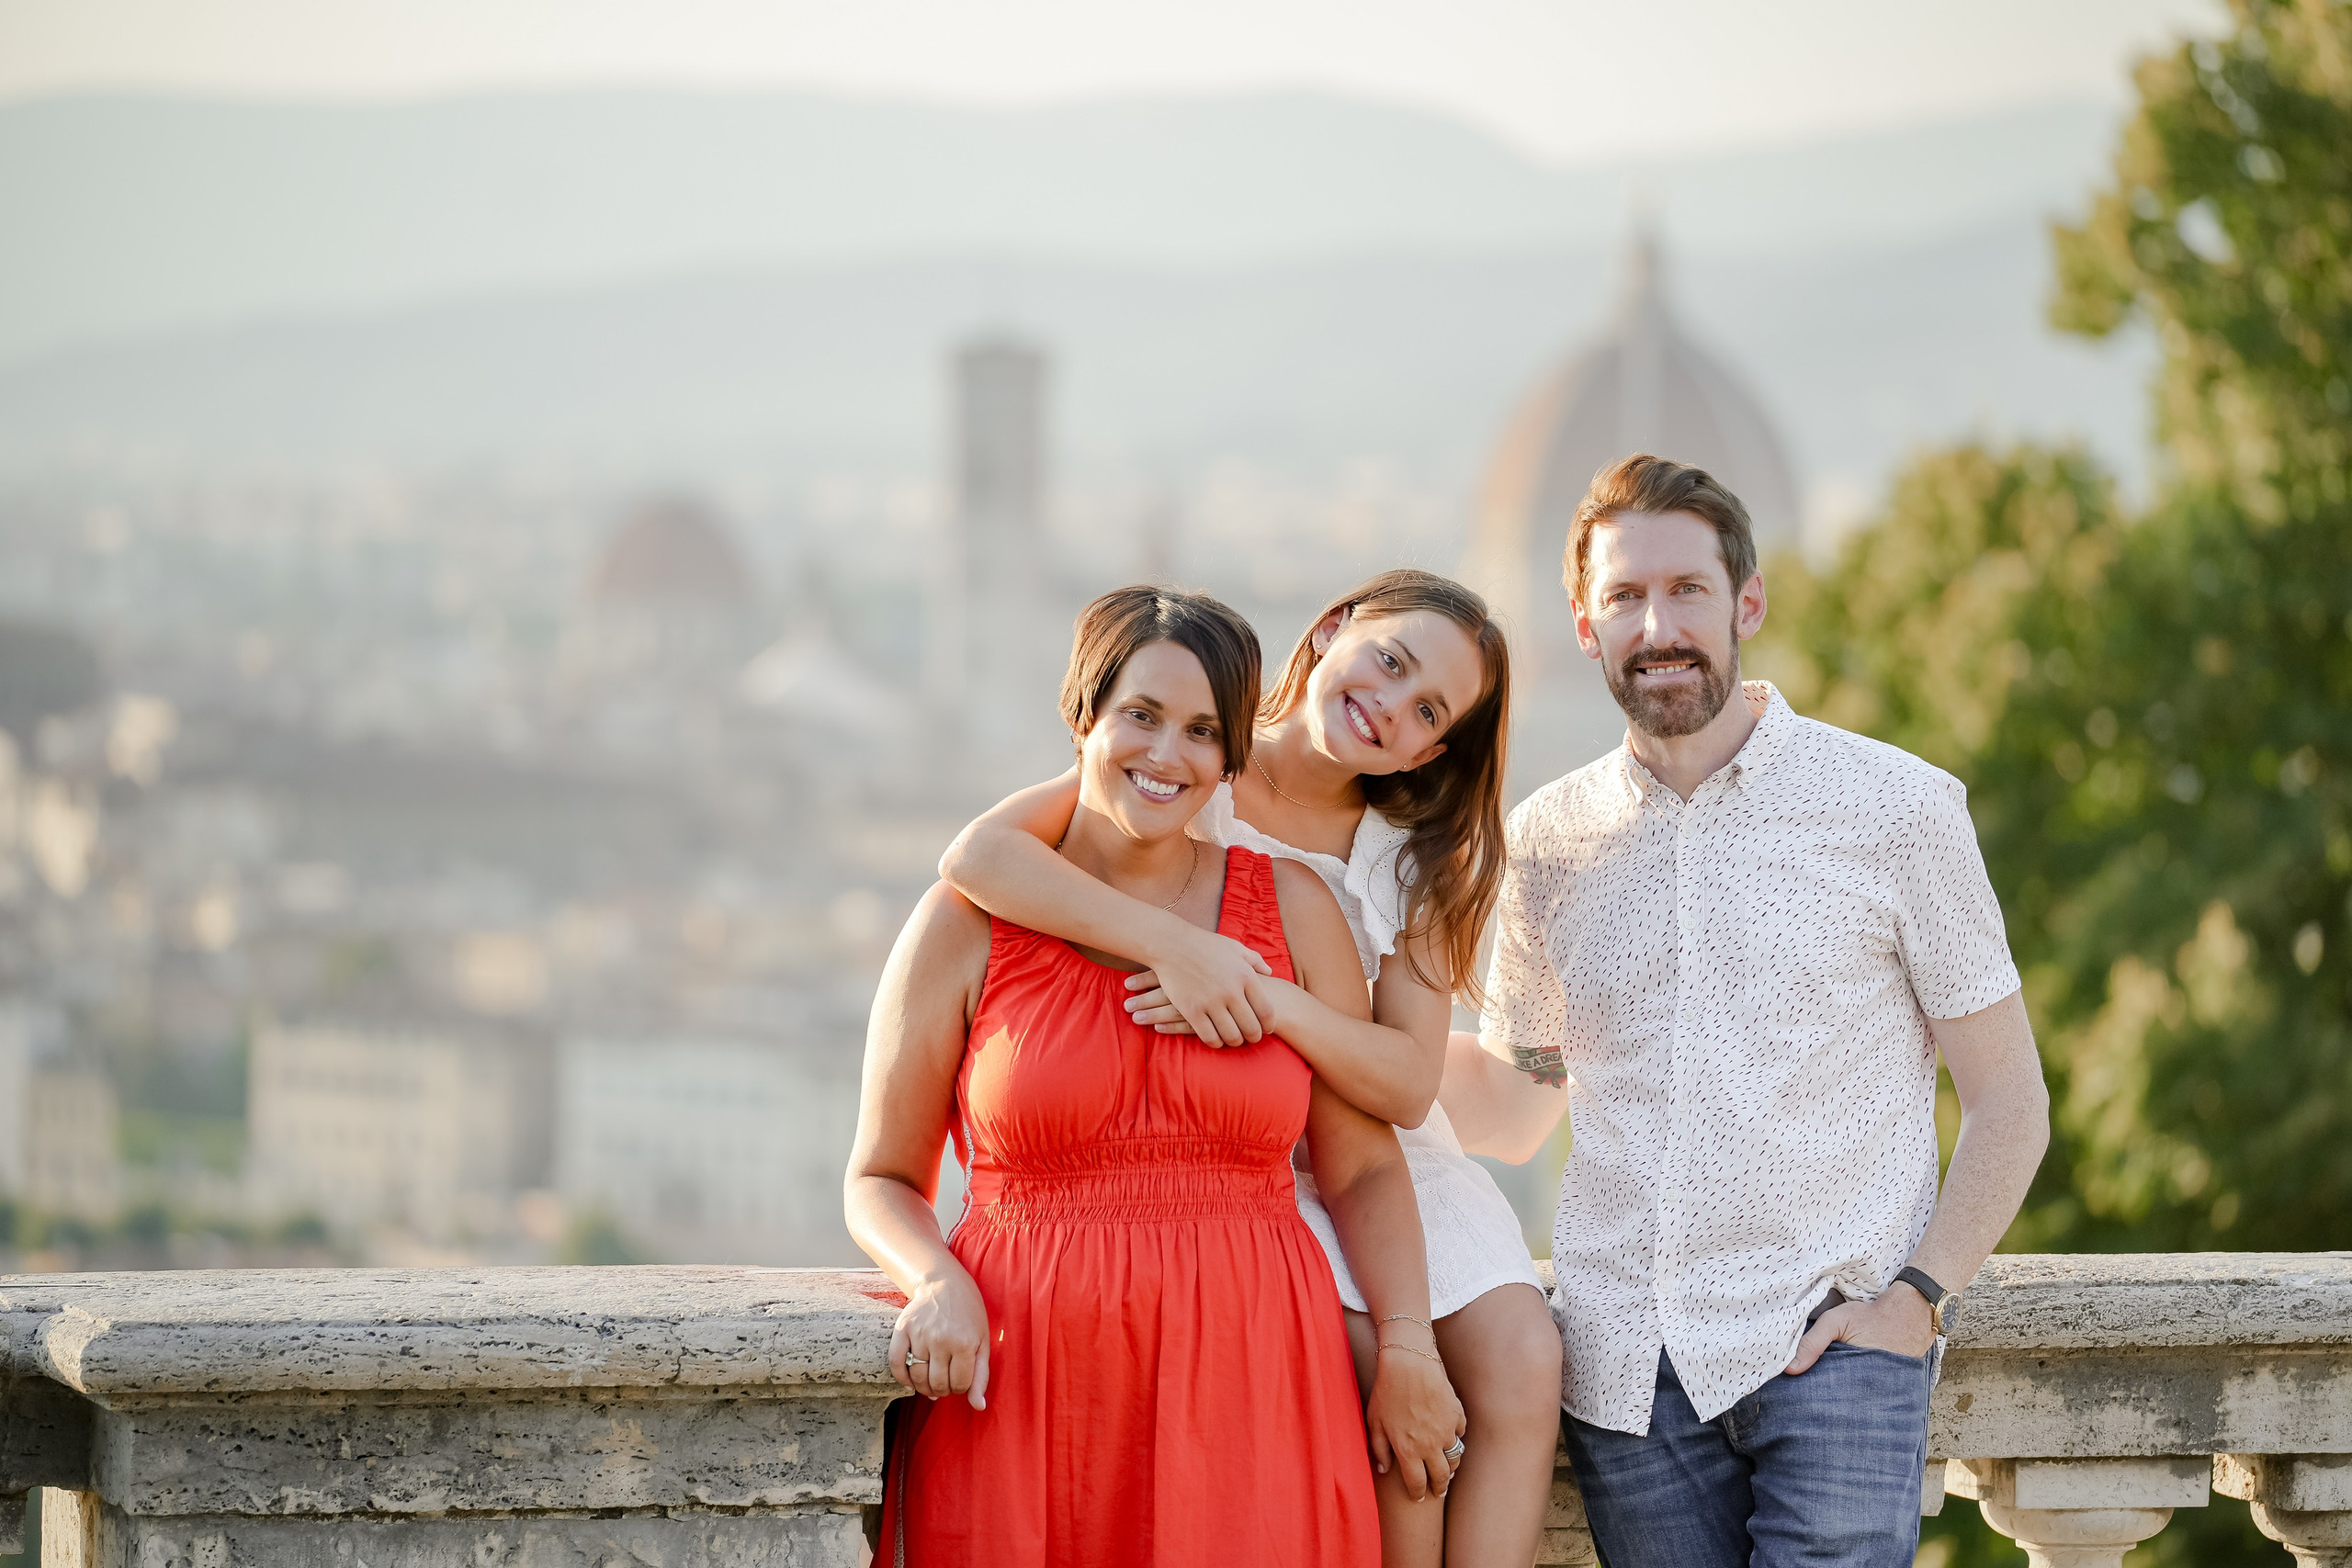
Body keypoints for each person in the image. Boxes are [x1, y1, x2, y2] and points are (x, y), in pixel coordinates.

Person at [1440, 453, 2052, 1568]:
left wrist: (1917, 1300)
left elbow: (2009, 1101)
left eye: (1687, 591)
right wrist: (1307, 1028)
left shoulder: (1897, 808)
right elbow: (1520, 1094)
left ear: (1747, 604)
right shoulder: (1547, 842)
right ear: (1585, 623)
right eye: (1625, 597)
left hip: (1834, 1349)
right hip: (1627, 1373)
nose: (1657, 623)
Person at [941, 570, 1560, 1567]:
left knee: (1526, 1362)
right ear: (1329, 631)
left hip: (1380, 1148)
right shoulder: (1192, 752)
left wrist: (1269, 998)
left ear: (1433, 749)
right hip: (1247, 1158)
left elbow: (1403, 1087)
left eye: (1425, 710)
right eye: (1388, 662)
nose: (1387, 704)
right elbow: (978, 858)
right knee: (1365, 1361)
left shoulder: (1415, 857)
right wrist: (1172, 944)